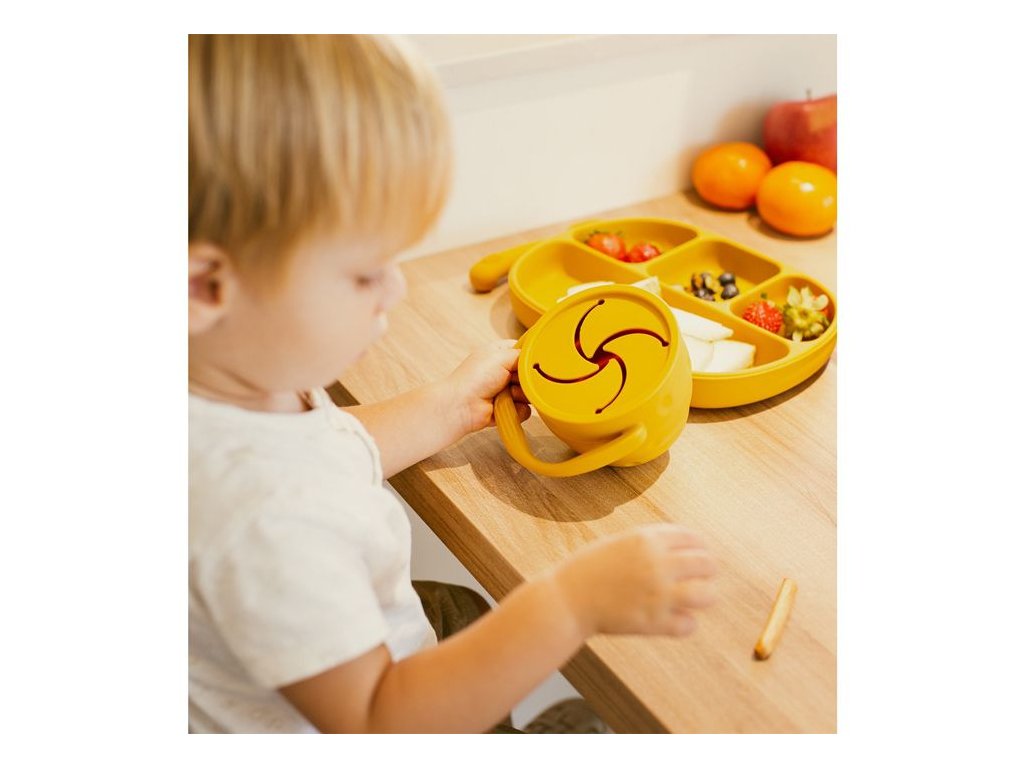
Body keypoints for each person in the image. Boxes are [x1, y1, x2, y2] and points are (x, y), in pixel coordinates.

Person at [188, 34, 718, 734]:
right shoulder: (266, 519)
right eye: (365, 273)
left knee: (462, 610)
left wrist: (446, 405)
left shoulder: (232, 387)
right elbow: (379, 721)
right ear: (206, 286)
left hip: (358, 647)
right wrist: (569, 603)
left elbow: (318, 447)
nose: (397, 289)